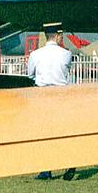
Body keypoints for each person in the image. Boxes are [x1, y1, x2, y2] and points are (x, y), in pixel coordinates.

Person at [27, 25, 74, 179]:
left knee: (45, 132)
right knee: (63, 131)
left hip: (43, 95)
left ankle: (46, 169)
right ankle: (70, 162)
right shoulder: (66, 54)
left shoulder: (35, 54)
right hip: (61, 95)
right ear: (58, 36)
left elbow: (30, 75)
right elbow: (66, 70)